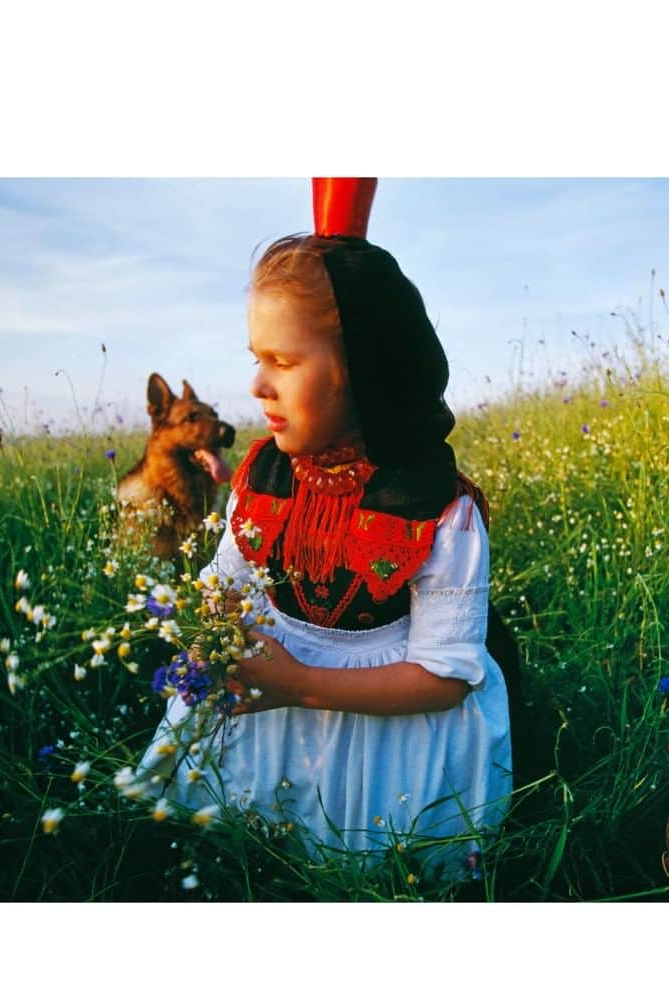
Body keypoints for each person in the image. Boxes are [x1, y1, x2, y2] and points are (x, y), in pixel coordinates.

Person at [137, 179, 517, 882]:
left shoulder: (435, 507)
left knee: (370, 865)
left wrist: (302, 685)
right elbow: (230, 579)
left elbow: (444, 677)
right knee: (221, 841)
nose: (258, 385)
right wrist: (212, 631)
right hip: (270, 686)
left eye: (282, 361)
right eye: (257, 358)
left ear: (366, 373)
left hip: (386, 722)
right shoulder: (261, 478)